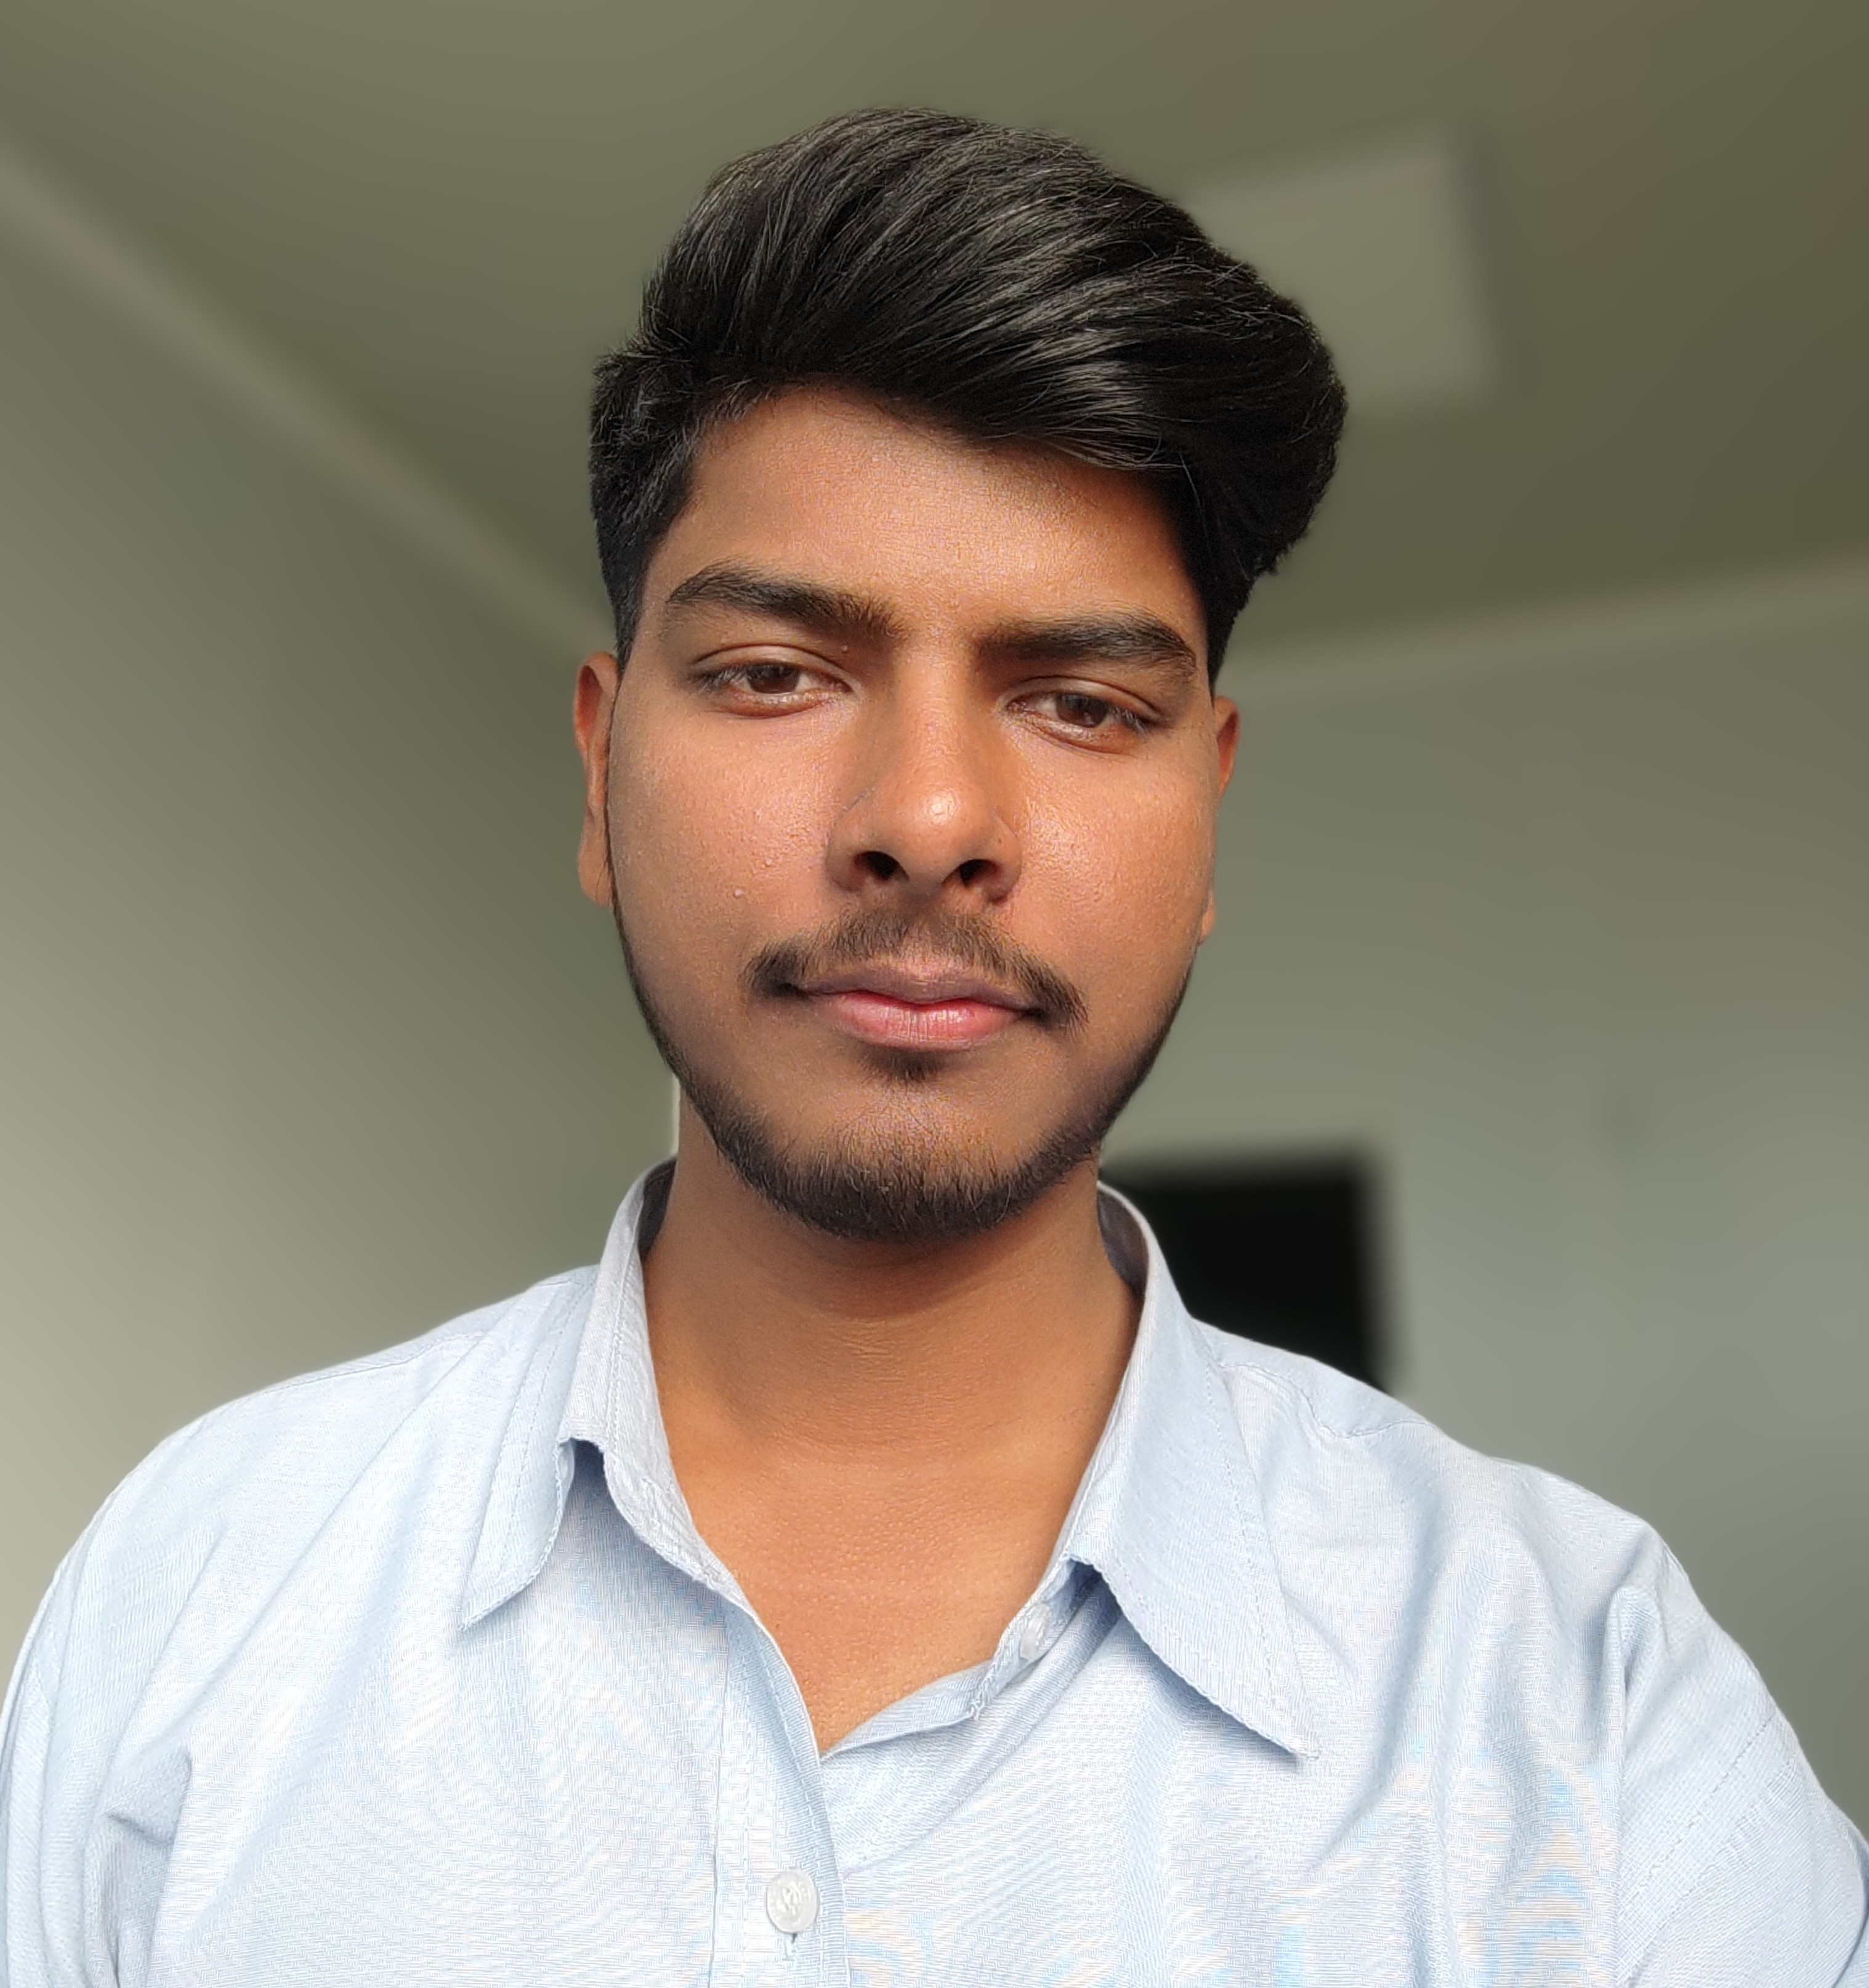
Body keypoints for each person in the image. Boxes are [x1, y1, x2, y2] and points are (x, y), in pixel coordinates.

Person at [1, 107, 1862, 1988]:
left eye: (1080, 702)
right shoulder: (197, 1588)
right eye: (776, 675)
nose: (927, 817)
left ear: (1206, 818)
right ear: (598, 769)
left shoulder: (1586, 1717)